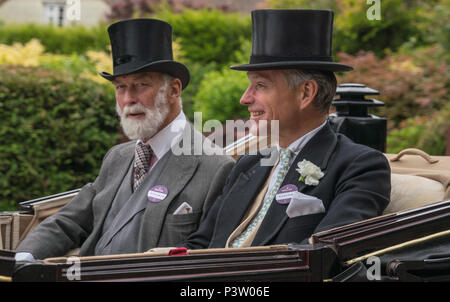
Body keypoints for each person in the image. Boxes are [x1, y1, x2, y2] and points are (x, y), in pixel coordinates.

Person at [15, 19, 234, 260]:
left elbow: (208, 261)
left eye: (141, 84)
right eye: (120, 87)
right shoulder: (118, 157)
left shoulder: (215, 167)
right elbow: (68, 222)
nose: (129, 98)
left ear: (174, 90)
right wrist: (23, 257)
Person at [182, 9, 391, 249]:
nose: (245, 98)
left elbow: (324, 256)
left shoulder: (360, 167)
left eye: (260, 85)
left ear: (306, 93)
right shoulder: (247, 163)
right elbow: (200, 243)